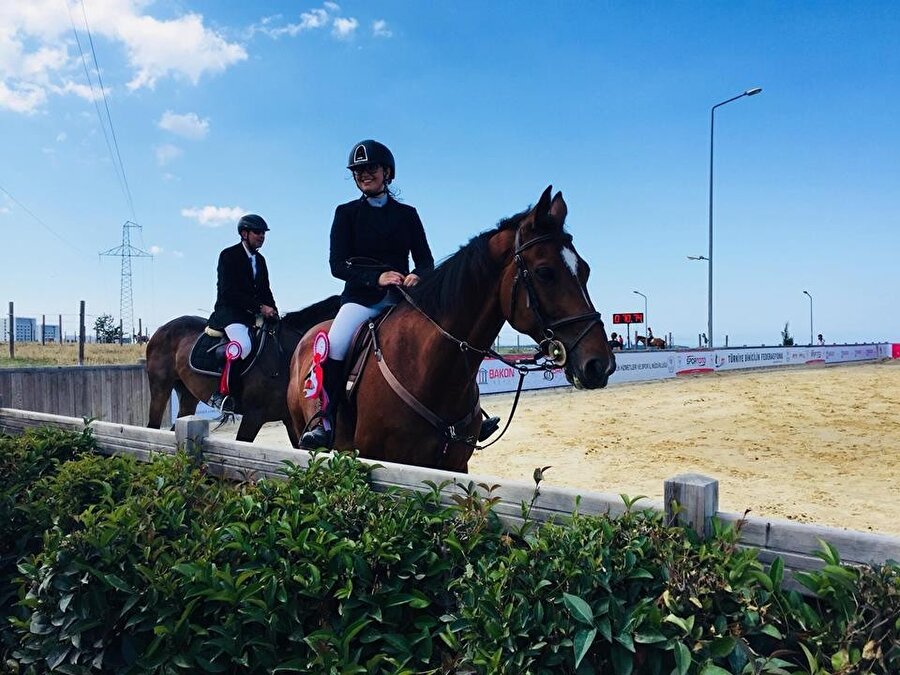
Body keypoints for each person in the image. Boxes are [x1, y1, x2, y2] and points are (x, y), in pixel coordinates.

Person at [301, 140, 499, 448]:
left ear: (387, 172)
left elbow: (425, 260)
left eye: (371, 169)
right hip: (360, 299)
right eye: (359, 171)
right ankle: (323, 420)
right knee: (336, 342)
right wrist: (376, 277)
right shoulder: (346, 213)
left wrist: (417, 275)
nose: (364, 175)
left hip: (404, 299)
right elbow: (337, 265)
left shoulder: (407, 214)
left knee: (447, 336)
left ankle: (470, 413)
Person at [207, 214, 278, 407]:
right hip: (229, 312)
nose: (262, 236)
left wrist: (274, 312)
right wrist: (259, 307)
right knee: (243, 345)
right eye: (257, 232)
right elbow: (228, 292)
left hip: (251, 314)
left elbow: (265, 290)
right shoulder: (228, 255)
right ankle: (222, 394)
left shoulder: (260, 260)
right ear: (244, 233)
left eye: (263, 233)